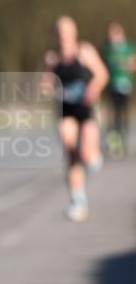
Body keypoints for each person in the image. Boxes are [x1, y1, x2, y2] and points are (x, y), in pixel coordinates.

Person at [42, 16, 108, 222]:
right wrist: (46, 87)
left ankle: (93, 157)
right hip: (65, 110)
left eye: (67, 32)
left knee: (86, 156)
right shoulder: (52, 58)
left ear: (74, 33)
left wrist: (93, 90)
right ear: (56, 35)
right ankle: (77, 201)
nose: (63, 36)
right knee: (70, 153)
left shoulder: (84, 51)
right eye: (60, 32)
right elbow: (45, 83)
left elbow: (102, 74)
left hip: (86, 110)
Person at [102, 22, 135, 157]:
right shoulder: (107, 50)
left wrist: (126, 64)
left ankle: (124, 140)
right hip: (112, 86)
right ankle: (115, 143)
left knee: (123, 114)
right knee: (114, 115)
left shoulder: (129, 47)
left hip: (125, 86)